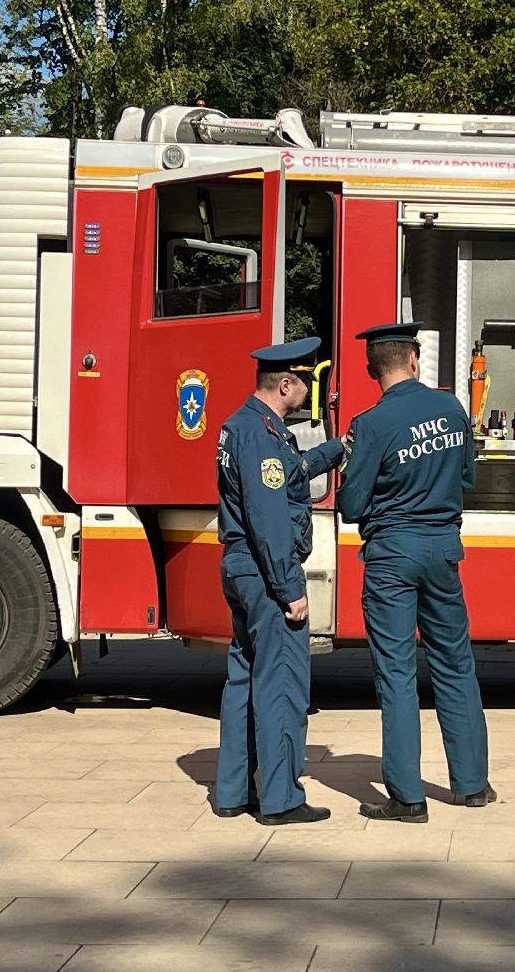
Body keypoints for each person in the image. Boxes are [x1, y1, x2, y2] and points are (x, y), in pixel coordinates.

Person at [338, 321, 493, 822]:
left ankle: (407, 797)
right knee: (455, 665)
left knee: (398, 675)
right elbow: (468, 475)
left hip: (392, 556)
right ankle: (472, 785)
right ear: (413, 360)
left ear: (371, 369)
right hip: (444, 549)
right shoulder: (451, 407)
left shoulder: (370, 424)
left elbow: (353, 504)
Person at [214, 336, 343, 825]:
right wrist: (291, 590)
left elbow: (290, 476)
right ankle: (281, 799)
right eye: (306, 382)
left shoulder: (242, 426)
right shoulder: (263, 436)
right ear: (285, 383)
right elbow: (269, 518)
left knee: (243, 679)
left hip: (241, 568)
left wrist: (337, 450)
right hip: (267, 573)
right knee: (283, 683)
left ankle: (232, 792)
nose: (309, 390)